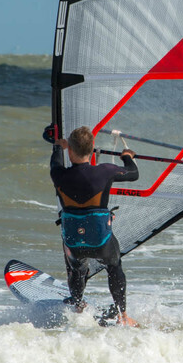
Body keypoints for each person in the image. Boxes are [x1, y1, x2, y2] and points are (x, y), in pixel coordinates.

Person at [47, 125, 140, 326]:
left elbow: (55, 160)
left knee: (77, 269)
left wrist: (58, 147)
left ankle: (78, 308)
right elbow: (133, 173)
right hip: (102, 241)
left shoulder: (58, 175)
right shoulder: (105, 171)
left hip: (74, 242)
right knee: (114, 267)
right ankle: (123, 316)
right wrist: (127, 156)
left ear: (70, 151)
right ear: (92, 149)